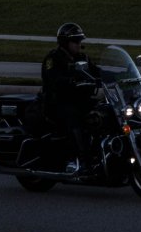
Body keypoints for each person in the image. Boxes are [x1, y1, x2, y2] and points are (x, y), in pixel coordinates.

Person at [41, 22, 100, 174]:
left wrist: (120, 75)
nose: (79, 45)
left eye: (80, 41)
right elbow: (54, 78)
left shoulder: (82, 58)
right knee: (74, 117)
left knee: (104, 112)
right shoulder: (53, 59)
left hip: (79, 101)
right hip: (57, 102)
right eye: (76, 41)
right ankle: (82, 160)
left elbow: (96, 71)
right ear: (65, 43)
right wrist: (70, 81)